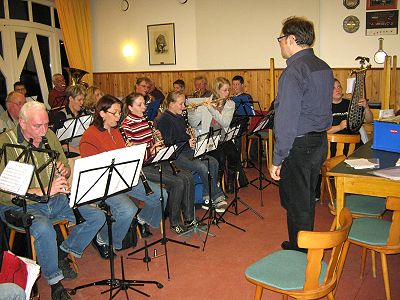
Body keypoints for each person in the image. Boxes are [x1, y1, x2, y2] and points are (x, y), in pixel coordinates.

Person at [0, 101, 105, 300]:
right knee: (45, 229)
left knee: (96, 216)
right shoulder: (6, 143)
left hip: (54, 199)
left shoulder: (49, 136)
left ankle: (64, 251)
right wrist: (40, 190)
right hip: (21, 205)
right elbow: (5, 192)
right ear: (22, 123)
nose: (44, 131)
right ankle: (55, 281)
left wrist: (64, 171)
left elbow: (63, 163)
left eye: (46, 124)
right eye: (37, 126)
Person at [269, 16, 334, 253]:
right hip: (318, 142)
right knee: (306, 196)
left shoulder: (294, 71)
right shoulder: (323, 66)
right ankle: (301, 242)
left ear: (292, 39)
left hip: (299, 144)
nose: (280, 43)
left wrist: (278, 158)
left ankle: (300, 250)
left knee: (297, 200)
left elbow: (286, 120)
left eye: (281, 39)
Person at [80, 95, 165, 240]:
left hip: (124, 178)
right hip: (105, 184)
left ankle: (143, 219)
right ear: (102, 114)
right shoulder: (90, 136)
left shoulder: (117, 131)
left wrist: (131, 153)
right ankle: (104, 238)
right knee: (128, 209)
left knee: (160, 194)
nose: (119, 117)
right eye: (115, 113)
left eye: (120, 113)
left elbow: (126, 161)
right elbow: (93, 169)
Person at [121, 93, 196, 234]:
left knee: (187, 176)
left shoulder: (144, 120)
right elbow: (133, 155)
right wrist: (152, 148)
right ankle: (175, 222)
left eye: (144, 104)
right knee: (177, 182)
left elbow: (151, 144)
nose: (144, 107)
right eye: (140, 105)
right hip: (142, 167)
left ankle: (189, 218)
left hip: (155, 160)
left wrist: (157, 140)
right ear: (130, 108)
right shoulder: (126, 126)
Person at [157, 91, 226, 211]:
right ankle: (216, 196)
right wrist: (185, 143)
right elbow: (168, 143)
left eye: (184, 103)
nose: (184, 107)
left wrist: (190, 136)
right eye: (181, 104)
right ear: (171, 104)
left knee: (213, 162)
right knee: (202, 167)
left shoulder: (179, 116)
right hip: (175, 155)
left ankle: (207, 196)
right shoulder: (165, 120)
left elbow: (183, 135)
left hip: (186, 151)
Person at [188, 77, 247, 193]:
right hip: (209, 138)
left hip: (224, 137)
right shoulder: (206, 102)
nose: (227, 93)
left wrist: (212, 109)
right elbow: (193, 123)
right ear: (217, 90)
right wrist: (192, 111)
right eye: (224, 90)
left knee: (234, 154)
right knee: (219, 157)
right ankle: (217, 185)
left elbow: (225, 122)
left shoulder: (230, 104)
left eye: (228, 90)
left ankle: (230, 182)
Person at [49, 85, 87, 157]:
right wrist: (79, 151)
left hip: (83, 147)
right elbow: (59, 143)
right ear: (70, 99)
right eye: (79, 100)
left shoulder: (84, 113)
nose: (82, 103)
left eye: (83, 100)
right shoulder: (61, 115)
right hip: (71, 152)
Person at [231, 75, 254, 152]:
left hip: (242, 123)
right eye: (233, 84)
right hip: (231, 122)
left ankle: (237, 155)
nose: (235, 87)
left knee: (238, 132)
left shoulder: (247, 97)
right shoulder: (230, 98)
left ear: (242, 85)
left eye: (237, 84)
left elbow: (249, 112)